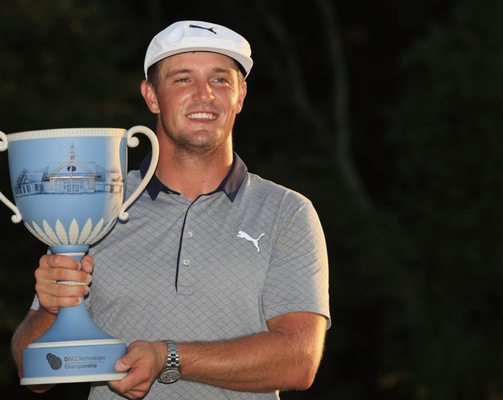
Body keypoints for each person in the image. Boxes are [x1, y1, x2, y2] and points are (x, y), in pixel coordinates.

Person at [11, 20, 330, 400]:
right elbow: (35, 373)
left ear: (240, 95)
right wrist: (50, 310)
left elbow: (299, 360)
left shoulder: (286, 211)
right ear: (151, 96)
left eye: (220, 80)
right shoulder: (99, 199)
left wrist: (169, 357)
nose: (204, 95)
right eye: (182, 79)